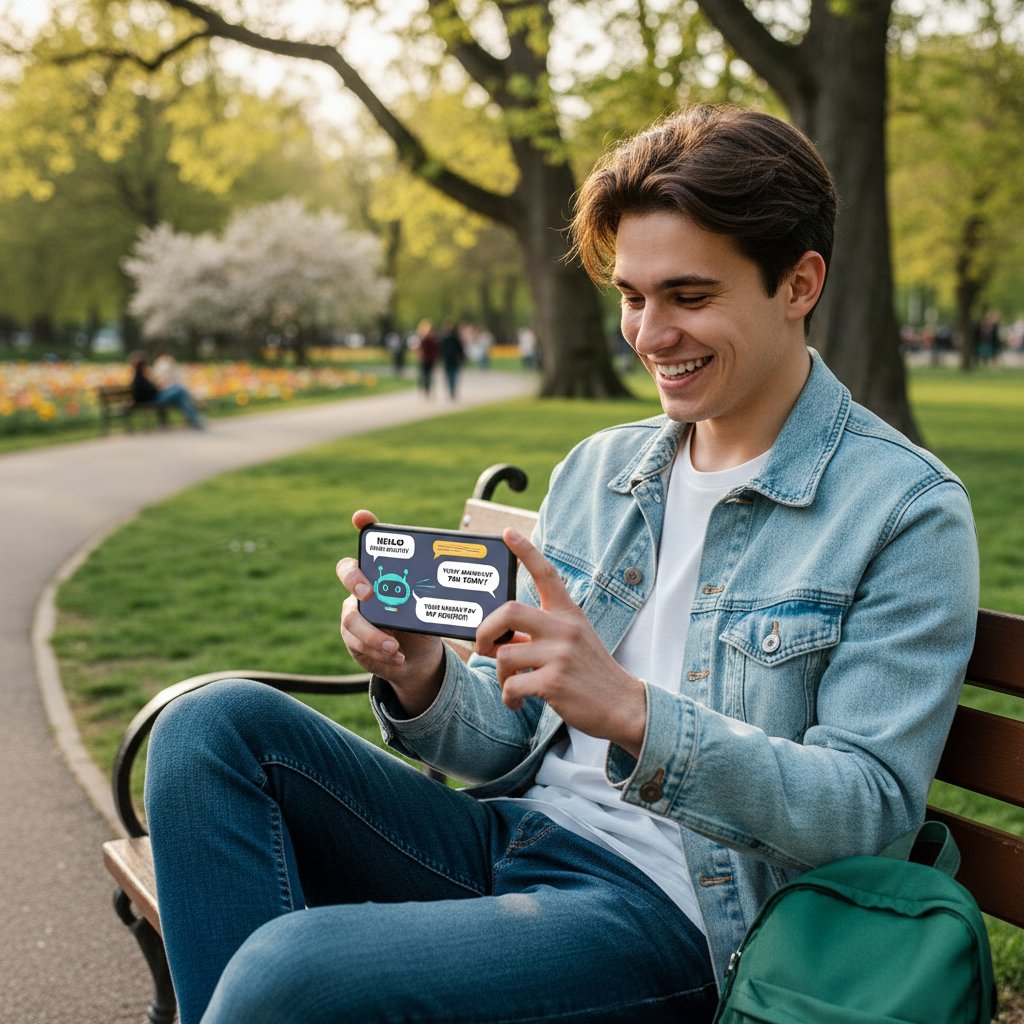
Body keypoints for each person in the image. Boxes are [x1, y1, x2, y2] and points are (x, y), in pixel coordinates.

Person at [144, 106, 979, 1024]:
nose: (650, 334)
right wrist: (422, 677)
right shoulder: (604, 469)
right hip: (512, 843)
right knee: (207, 729)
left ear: (799, 283)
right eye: (632, 295)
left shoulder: (901, 512)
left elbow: (868, 810)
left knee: (291, 975)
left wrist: (633, 711)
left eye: (689, 297)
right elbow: (513, 744)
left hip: (678, 919)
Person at [129, 351, 205, 430]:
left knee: (181, 398)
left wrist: (155, 384)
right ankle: (195, 420)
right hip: (154, 400)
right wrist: (155, 385)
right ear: (142, 367)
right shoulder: (140, 379)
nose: (147, 367)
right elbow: (149, 392)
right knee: (179, 389)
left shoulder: (142, 377)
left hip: (156, 398)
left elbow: (152, 389)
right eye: (145, 365)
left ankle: (194, 420)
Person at [439, 319, 466, 400]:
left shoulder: (455, 339)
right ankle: (451, 390)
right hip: (448, 360)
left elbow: (460, 350)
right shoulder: (444, 339)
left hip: (454, 360)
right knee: (450, 376)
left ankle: (453, 390)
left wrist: (461, 358)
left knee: (453, 376)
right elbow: (441, 350)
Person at [414, 318, 439, 397]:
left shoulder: (432, 339)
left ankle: (428, 389)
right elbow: (418, 349)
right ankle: (425, 388)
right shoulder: (422, 339)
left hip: (430, 359)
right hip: (424, 359)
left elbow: (435, 350)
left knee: (429, 375)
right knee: (424, 375)